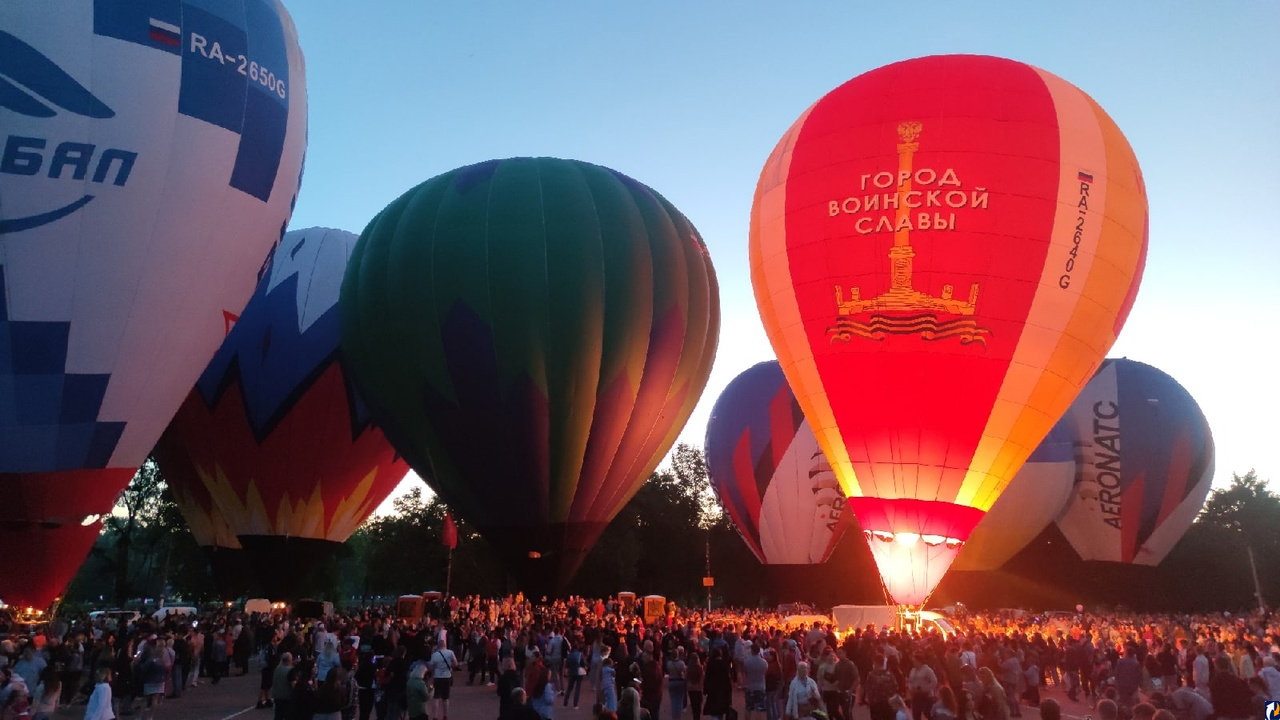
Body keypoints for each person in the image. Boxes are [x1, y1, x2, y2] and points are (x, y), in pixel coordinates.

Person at [428, 641, 458, 720]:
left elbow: (430, 667)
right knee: (446, 698)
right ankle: (445, 715)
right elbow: (456, 664)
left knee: (436, 697)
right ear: (445, 645)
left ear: (438, 646)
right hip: (447, 676)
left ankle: (435, 716)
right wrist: (449, 666)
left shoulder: (434, 655)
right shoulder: (450, 652)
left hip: (437, 676)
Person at [907, 654, 937, 720]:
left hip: (926, 695)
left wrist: (925, 689)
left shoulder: (927, 670)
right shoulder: (913, 670)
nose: (913, 663)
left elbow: (934, 682)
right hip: (915, 695)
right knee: (916, 714)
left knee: (927, 713)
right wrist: (911, 688)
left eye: (915, 661)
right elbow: (910, 681)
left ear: (919, 661)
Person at [743, 645, 768, 720]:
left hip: (750, 686)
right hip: (761, 686)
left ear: (752, 651)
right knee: (760, 709)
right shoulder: (764, 662)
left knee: (748, 708)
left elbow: (745, 672)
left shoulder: (747, 661)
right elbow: (765, 672)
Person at [665, 647, 688, 720]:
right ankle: (679, 716)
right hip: (680, 681)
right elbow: (685, 672)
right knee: (680, 700)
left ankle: (674, 716)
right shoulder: (681, 663)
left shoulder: (669, 663)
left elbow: (668, 671)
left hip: (672, 681)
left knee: (673, 700)